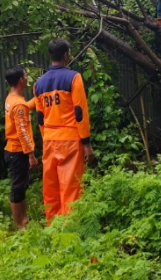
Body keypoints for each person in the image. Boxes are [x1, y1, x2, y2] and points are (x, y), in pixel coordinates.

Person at [33, 38, 94, 224]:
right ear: (66, 55)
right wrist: (86, 144)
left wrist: (47, 138)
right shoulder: (74, 77)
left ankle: (53, 228)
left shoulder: (38, 84)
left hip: (49, 140)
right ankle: (70, 229)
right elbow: (79, 113)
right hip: (70, 140)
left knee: (50, 187)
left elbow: (39, 118)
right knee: (71, 186)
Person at [4, 65, 39, 229]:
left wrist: (37, 98)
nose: (27, 78)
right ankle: (19, 225)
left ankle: (24, 219)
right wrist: (31, 155)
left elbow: (25, 107)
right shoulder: (18, 105)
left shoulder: (11, 99)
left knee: (21, 186)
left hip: (12, 150)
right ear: (20, 80)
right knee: (17, 188)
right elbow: (22, 132)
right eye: (26, 76)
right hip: (18, 152)